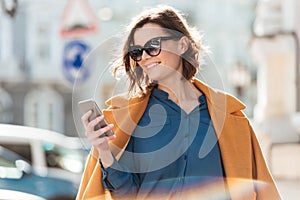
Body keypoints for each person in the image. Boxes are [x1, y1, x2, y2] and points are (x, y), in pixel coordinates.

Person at [76, 5, 281, 200]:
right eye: (137, 52)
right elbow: (128, 193)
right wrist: (104, 151)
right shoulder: (128, 119)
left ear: (182, 45)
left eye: (153, 46)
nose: (145, 57)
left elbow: (256, 189)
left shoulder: (231, 118)